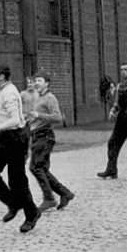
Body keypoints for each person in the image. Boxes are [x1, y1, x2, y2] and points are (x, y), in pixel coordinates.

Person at [0, 65, 40, 233]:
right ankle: (13, 203)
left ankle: (31, 213)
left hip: (15, 138)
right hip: (2, 138)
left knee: (17, 180)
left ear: (2, 77)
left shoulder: (10, 93)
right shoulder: (0, 90)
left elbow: (15, 120)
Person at [27, 72, 75, 211]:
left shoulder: (50, 98)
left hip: (45, 136)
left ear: (47, 83)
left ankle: (49, 199)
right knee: (41, 168)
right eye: (35, 80)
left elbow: (58, 117)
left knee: (35, 167)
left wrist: (39, 115)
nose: (36, 83)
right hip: (36, 135)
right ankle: (65, 193)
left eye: (40, 80)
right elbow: (38, 116)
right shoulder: (38, 97)